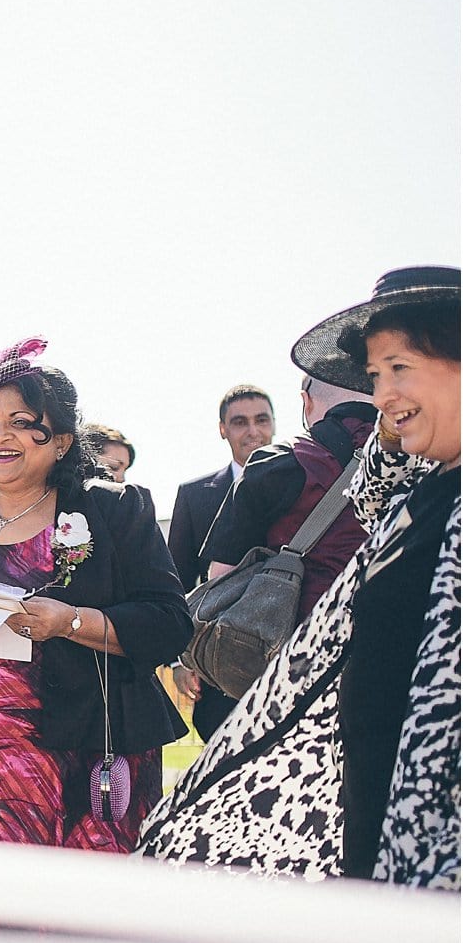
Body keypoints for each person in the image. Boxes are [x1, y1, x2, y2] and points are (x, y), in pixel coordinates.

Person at [140, 267, 459, 887]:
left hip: (436, 836)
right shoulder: (423, 489)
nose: (382, 395)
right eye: (373, 377)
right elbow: (374, 489)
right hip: (380, 807)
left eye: (401, 368)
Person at [0, 338, 190, 852]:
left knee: (83, 916)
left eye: (21, 422)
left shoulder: (114, 510)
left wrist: (71, 621)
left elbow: (168, 623)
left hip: (87, 755)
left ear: (61, 441)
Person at [200, 376, 377, 621]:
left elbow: (222, 579)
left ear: (307, 402)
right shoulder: (421, 455)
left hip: (303, 643)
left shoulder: (276, 462)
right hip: (410, 639)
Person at [167, 383, 276, 739]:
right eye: (240, 422)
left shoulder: (302, 485)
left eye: (261, 420)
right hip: (217, 664)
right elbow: (175, 584)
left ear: (274, 424)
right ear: (222, 429)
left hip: (286, 654)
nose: (253, 431)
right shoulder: (195, 495)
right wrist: (179, 659)